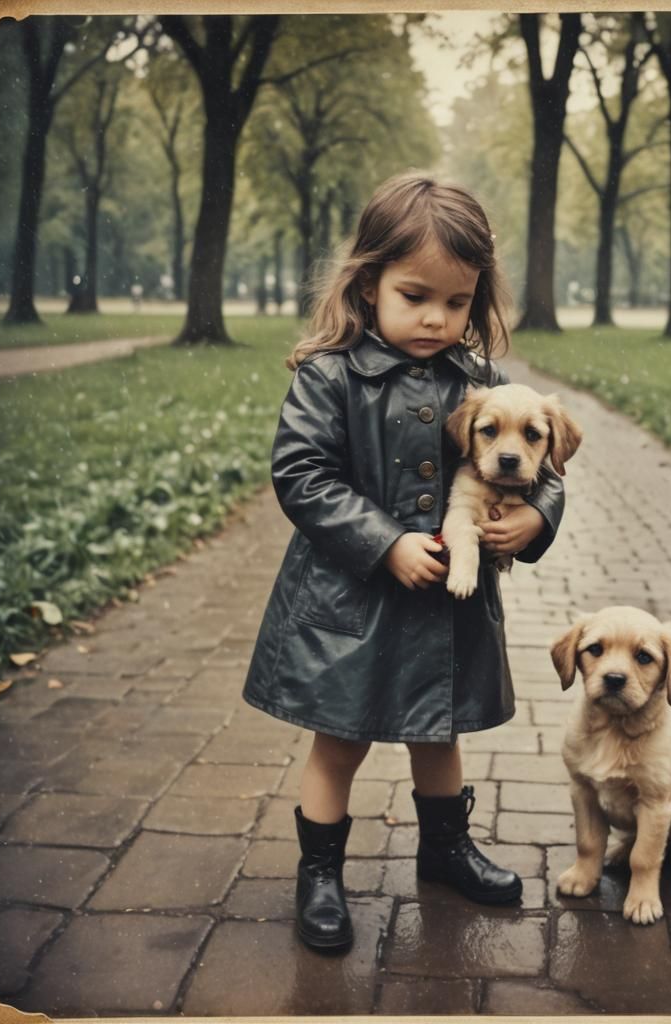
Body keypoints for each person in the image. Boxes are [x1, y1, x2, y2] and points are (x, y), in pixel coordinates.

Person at [242, 173, 565, 954]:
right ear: (368, 281)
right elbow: (302, 475)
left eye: (456, 303)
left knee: (439, 728)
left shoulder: (480, 378)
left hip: (447, 604)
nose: (436, 318)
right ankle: (319, 871)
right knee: (340, 737)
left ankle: (444, 849)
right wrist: (384, 541)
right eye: (416, 295)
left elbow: (540, 467)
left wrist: (535, 516)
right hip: (350, 598)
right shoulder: (331, 374)